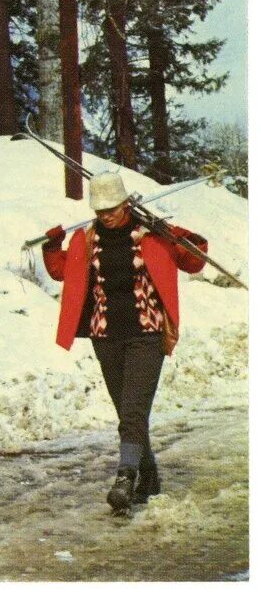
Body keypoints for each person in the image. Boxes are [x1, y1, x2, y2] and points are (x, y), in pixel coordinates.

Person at [41, 171, 208, 514]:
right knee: (127, 411)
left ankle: (125, 477)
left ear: (126, 203)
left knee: (132, 411)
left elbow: (194, 260)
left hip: (146, 332)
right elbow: (62, 271)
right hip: (106, 335)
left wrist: (177, 233)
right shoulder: (86, 239)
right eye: (100, 210)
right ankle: (150, 480)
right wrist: (52, 245)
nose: (105, 215)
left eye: (112, 208)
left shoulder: (150, 235)